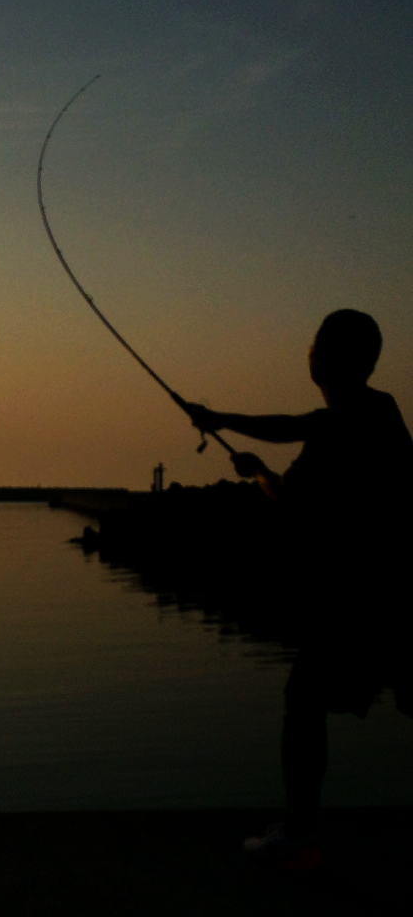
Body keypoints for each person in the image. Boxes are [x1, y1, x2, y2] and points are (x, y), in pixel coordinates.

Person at [186, 309, 413, 871]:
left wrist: (216, 416)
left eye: (316, 344)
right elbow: (292, 494)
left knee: (305, 700)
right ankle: (300, 831)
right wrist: (259, 471)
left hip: (373, 596)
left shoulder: (362, 414)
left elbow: (292, 425)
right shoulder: (366, 419)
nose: (309, 352)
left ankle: (300, 835)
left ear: (333, 357)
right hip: (383, 592)